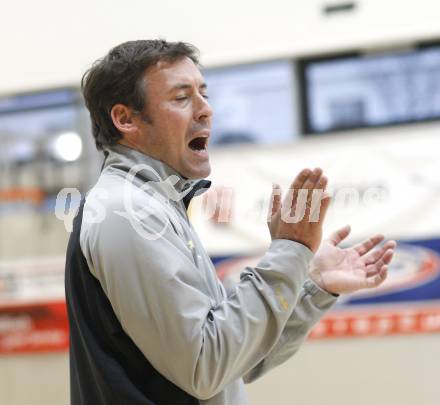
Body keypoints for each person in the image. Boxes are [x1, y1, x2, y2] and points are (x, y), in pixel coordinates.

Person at [65, 39, 396, 405]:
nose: (206, 110)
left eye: (203, 94)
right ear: (126, 119)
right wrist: (289, 251)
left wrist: (312, 286)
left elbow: (240, 356)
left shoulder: (157, 205)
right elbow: (205, 367)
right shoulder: (127, 213)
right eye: (181, 97)